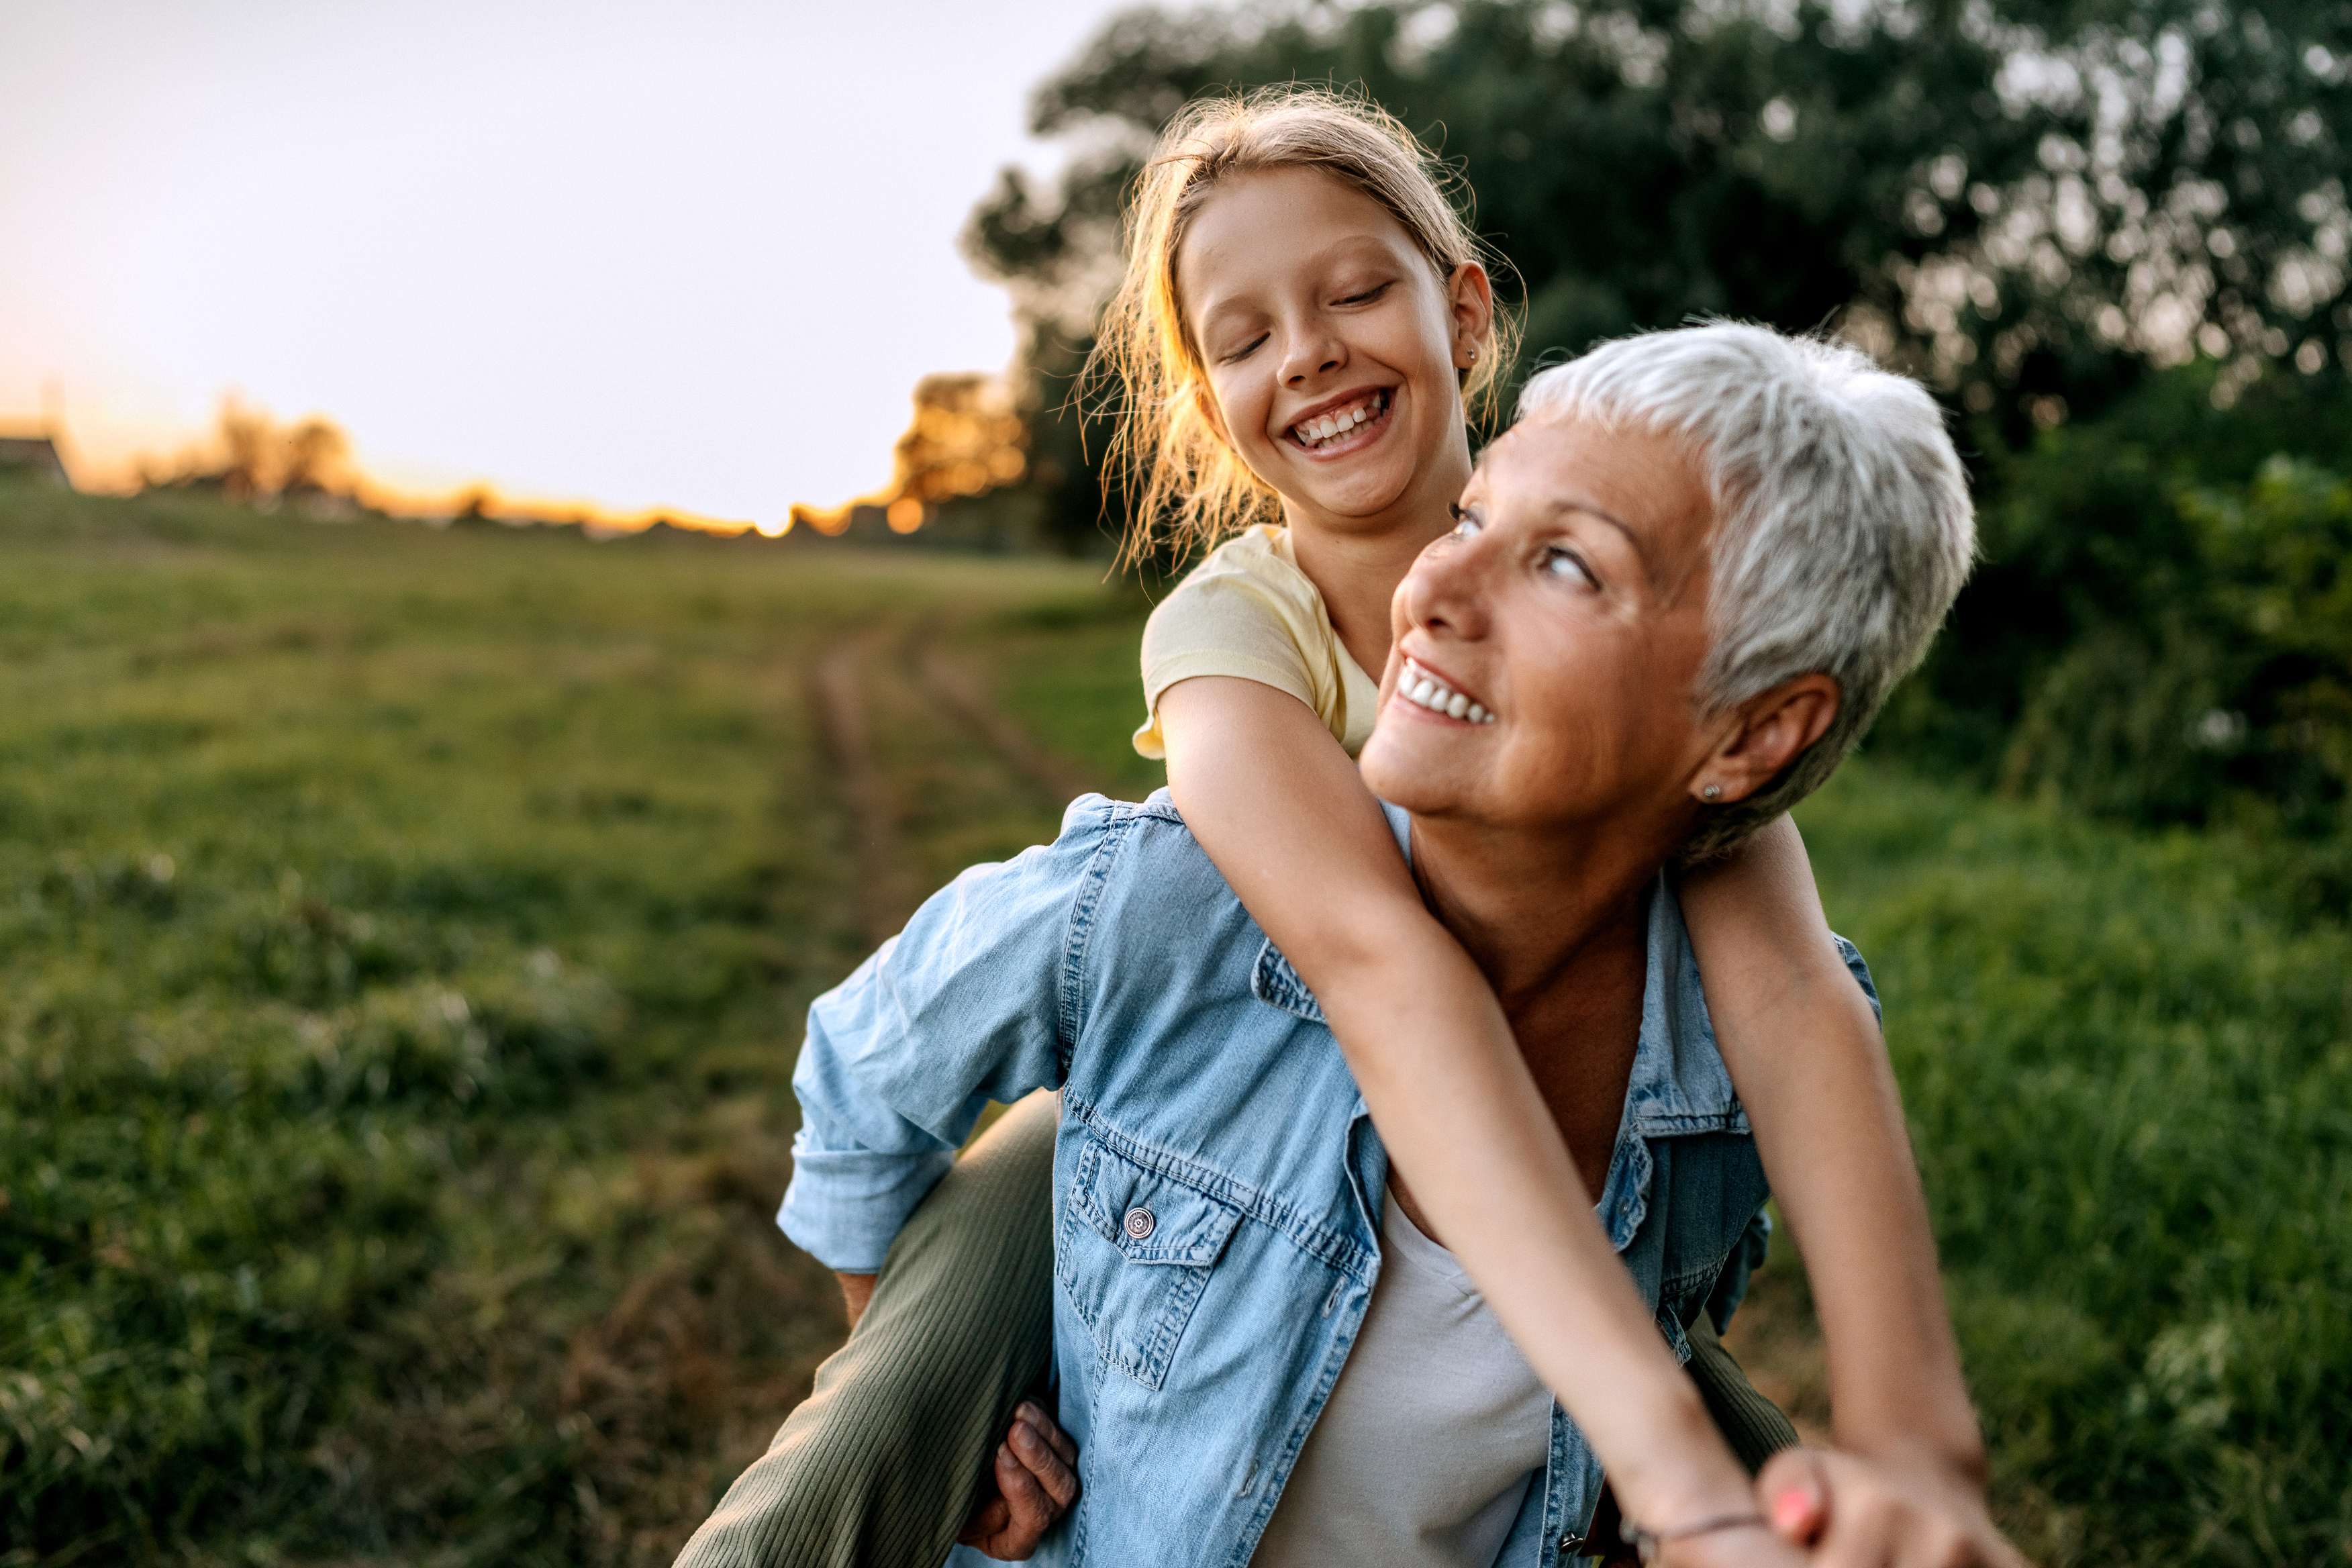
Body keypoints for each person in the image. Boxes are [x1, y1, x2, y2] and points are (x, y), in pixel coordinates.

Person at [677, 319, 2021, 1566]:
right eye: (1474, 513)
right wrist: (933, 1391)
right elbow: (864, 1076)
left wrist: (1842, 1466)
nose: (1431, 587)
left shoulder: (1739, 1066)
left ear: (1752, 733)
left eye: (1567, 564)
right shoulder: (1168, 902)